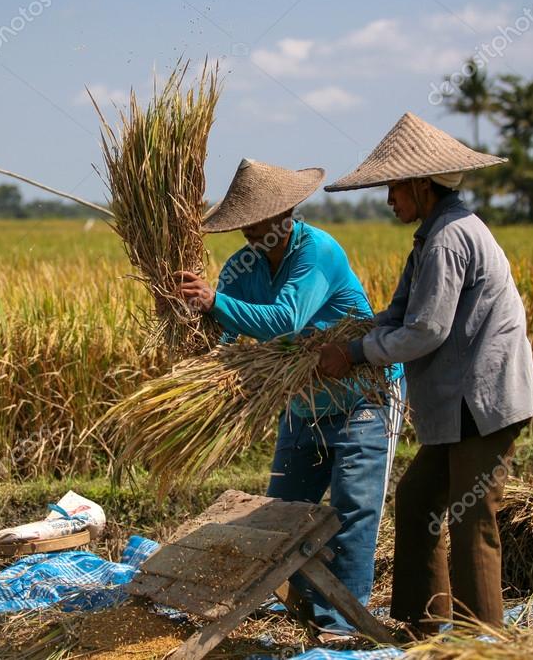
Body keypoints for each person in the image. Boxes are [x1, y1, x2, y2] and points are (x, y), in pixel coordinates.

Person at [317, 112, 533, 633]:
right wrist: (341, 337)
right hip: (460, 404)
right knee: (417, 501)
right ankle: (421, 626)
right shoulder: (430, 237)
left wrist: (353, 355)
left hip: (485, 402)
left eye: (394, 187)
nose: (389, 199)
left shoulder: (447, 239)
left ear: (420, 184)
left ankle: (481, 639)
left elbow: (426, 331)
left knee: (471, 518)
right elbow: (398, 314)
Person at [174, 158, 405, 641]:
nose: (254, 233)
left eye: (262, 221)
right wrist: (194, 329)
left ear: (287, 212)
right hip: (303, 400)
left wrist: (214, 300)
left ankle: (343, 621)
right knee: (284, 510)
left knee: (352, 508)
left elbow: (286, 320)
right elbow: (227, 332)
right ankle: (306, 605)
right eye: (245, 225)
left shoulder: (318, 251)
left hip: (363, 395)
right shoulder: (243, 266)